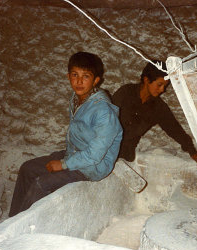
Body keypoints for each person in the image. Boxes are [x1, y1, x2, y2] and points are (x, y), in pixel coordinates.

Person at [9, 52, 123, 217]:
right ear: (68, 76)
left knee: (41, 184)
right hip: (76, 154)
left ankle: (23, 232)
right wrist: (65, 160)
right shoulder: (78, 99)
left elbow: (95, 155)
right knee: (27, 169)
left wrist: (63, 164)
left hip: (93, 167)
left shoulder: (104, 111)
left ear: (96, 80)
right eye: (75, 75)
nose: (78, 81)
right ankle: (12, 222)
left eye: (85, 76)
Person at [112, 60, 197, 165]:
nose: (162, 90)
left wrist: (192, 152)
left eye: (165, 86)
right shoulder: (126, 93)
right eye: (159, 84)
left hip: (126, 155)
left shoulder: (158, 107)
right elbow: (107, 120)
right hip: (108, 147)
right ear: (146, 80)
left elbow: (175, 130)